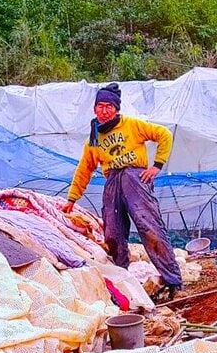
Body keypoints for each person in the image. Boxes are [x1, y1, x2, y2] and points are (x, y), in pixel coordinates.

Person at [62, 82, 182, 300]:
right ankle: (123, 283)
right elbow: (84, 169)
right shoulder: (94, 138)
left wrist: (157, 166)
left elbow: (163, 134)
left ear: (117, 109)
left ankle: (172, 280)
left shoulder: (132, 125)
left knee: (149, 227)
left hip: (135, 177)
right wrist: (72, 198)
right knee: (113, 234)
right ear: (94, 109)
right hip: (112, 182)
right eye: (100, 106)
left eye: (109, 106)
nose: (104, 110)